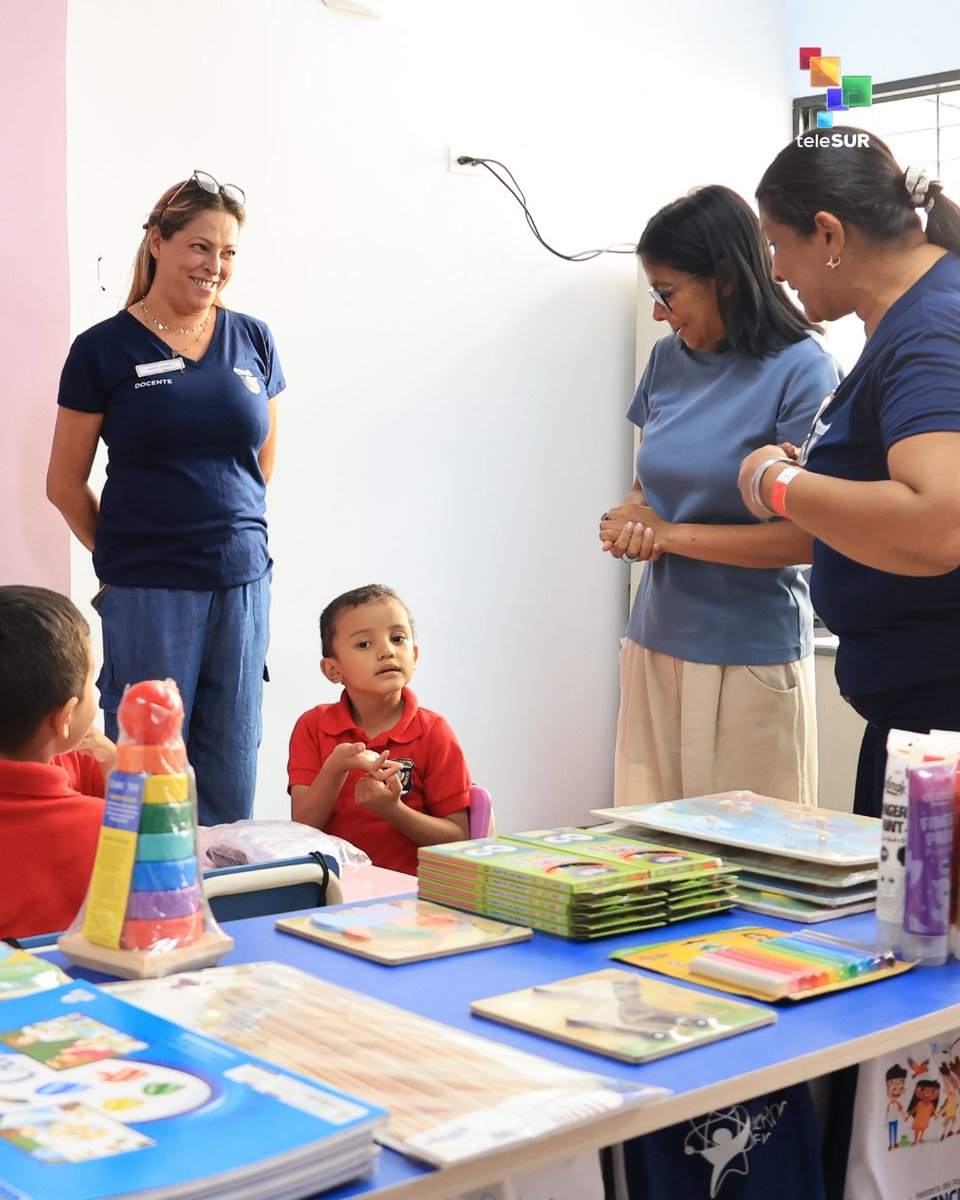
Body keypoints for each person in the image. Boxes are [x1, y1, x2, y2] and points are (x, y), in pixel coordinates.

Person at [47, 171, 284, 826]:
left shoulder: (253, 339)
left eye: (227, 252)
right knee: (150, 779)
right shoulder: (102, 349)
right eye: (200, 247)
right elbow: (63, 484)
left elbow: (258, 464)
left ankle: (226, 887)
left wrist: (224, 536)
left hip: (243, 584)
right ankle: (149, 895)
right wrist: (127, 556)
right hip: (149, 590)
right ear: (158, 242)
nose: (215, 265)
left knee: (231, 770)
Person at [739, 128, 960, 817]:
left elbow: (939, 524)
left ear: (829, 234)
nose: (778, 271)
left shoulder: (931, 326)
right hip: (919, 713)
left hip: (942, 723)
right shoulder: (913, 315)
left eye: (779, 245)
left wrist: (775, 484)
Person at [599, 185, 840, 808]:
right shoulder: (666, 360)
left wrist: (669, 535)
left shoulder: (803, 366)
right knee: (647, 850)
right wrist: (631, 518)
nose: (660, 313)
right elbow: (649, 481)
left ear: (725, 279)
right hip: (654, 641)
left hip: (750, 655)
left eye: (667, 293)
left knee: (749, 853)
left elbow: (807, 538)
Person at [287, 584, 471, 873]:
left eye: (398, 639)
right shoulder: (313, 727)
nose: (387, 651)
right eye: (364, 644)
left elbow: (460, 839)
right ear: (333, 670)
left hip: (413, 892)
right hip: (334, 890)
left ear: (415, 656)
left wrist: (393, 810)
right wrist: (335, 768)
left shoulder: (434, 731)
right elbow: (303, 828)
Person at [0, 585, 114, 940]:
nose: (96, 693)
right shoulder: (109, 832)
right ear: (65, 718)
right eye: (90, 683)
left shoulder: (85, 763)